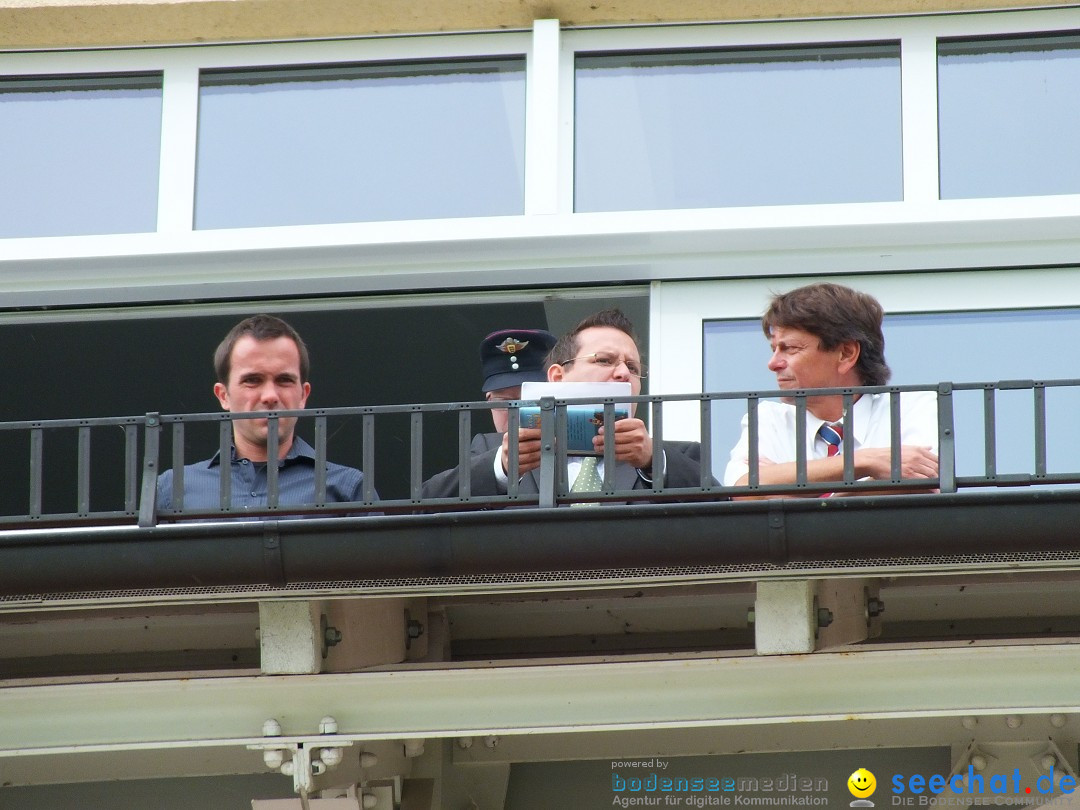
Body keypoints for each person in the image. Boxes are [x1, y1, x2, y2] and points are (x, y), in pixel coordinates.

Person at [423, 309, 709, 500]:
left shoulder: (675, 457)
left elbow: (727, 513)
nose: (623, 373)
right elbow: (425, 504)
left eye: (633, 367)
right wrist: (503, 467)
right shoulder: (492, 448)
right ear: (557, 377)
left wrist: (652, 461)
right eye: (605, 360)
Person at [723, 283, 939, 496]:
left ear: (846, 353)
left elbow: (919, 483)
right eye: (774, 350)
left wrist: (785, 484)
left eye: (790, 349)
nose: (773, 363)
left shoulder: (910, 408)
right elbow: (744, 489)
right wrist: (867, 461)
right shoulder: (769, 418)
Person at [156, 314, 371, 515]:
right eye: (252, 380)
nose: (269, 396)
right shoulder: (173, 488)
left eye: (284, 380)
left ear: (303, 395)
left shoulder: (347, 489)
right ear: (223, 396)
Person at [468, 327, 557, 454]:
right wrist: (501, 466)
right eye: (505, 402)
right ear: (489, 401)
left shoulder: (581, 441)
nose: (518, 411)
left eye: (530, 400)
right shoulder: (485, 448)